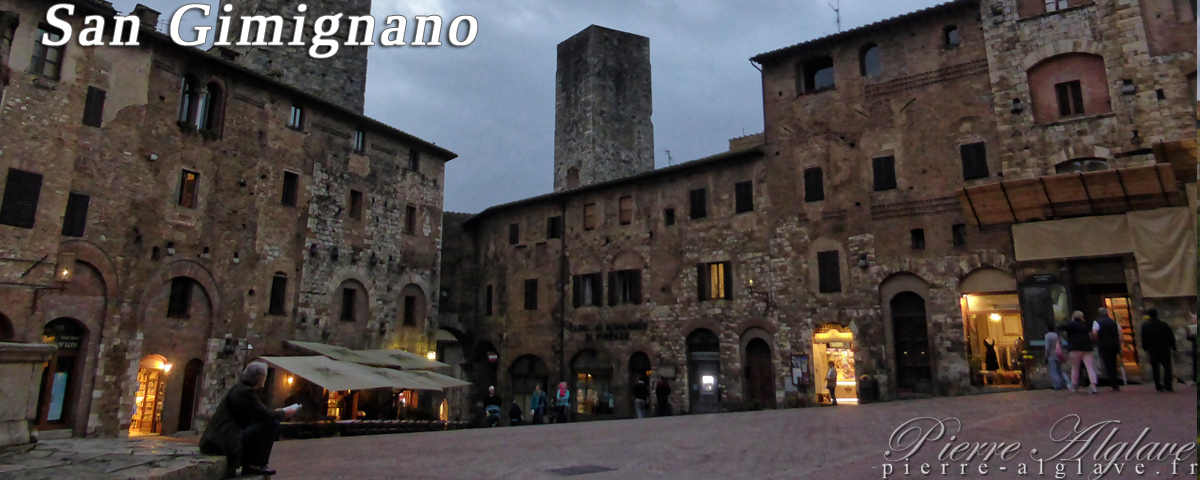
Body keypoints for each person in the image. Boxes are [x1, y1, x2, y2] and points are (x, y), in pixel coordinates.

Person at [200, 362, 297, 477]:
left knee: (267, 422)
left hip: (222, 437)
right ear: (259, 378)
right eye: (264, 377)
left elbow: (260, 412)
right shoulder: (245, 392)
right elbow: (266, 415)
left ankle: (252, 463)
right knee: (272, 424)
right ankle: (255, 464)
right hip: (224, 440)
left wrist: (276, 412)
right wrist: (285, 413)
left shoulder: (240, 389)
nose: (265, 380)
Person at [1058, 310, 1098, 394]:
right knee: (1090, 368)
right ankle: (1094, 386)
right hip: (1087, 348)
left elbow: (1060, 327)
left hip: (1074, 348)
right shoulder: (1086, 324)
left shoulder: (1070, 325)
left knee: (1075, 368)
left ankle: (1074, 386)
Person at [1140, 308, 1176, 392]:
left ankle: (1158, 385)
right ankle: (1168, 385)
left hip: (1152, 349)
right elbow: (1170, 337)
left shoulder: (1145, 326)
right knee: (1167, 368)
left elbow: (1144, 338)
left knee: (1155, 368)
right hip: (1164, 348)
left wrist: (1145, 348)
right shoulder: (1163, 324)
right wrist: (1174, 348)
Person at [1092, 307, 1122, 391]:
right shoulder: (1114, 322)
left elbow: (1095, 333)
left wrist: (1097, 341)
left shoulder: (1097, 322)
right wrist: (1119, 343)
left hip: (1104, 345)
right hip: (1114, 345)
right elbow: (1120, 334)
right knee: (1113, 363)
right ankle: (1115, 382)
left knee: (1107, 364)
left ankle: (1113, 383)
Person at [1044, 324, 1067, 390]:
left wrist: (1046, 356)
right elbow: (1062, 345)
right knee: (1059, 370)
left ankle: (1057, 385)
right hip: (1059, 354)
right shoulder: (1057, 335)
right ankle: (1063, 383)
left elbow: (1047, 347)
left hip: (1051, 355)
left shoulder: (1047, 336)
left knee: (1053, 370)